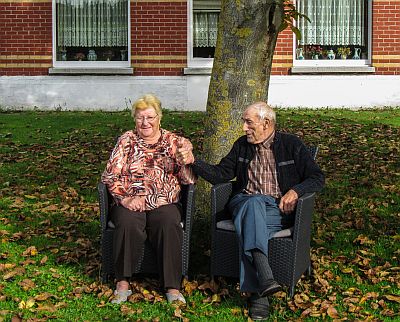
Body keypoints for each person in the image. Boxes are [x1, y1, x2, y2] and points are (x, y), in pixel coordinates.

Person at [177, 102, 324, 320]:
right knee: (252, 203)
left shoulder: (290, 144)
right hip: (243, 202)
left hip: (276, 209)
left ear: (266, 123)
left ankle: (260, 287)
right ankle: (260, 290)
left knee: (253, 217)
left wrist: (295, 191)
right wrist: (194, 161)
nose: (244, 128)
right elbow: (221, 174)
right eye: (244, 122)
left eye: (249, 123)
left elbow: (317, 177)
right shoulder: (242, 145)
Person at [101, 94, 196, 305]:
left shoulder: (173, 141)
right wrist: (124, 199)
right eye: (140, 117)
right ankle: (123, 283)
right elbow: (110, 176)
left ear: (159, 118)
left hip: (164, 200)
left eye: (150, 117)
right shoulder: (127, 140)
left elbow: (188, 180)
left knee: (168, 222)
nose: (145, 122)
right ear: (134, 119)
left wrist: (187, 158)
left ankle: (172, 287)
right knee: (127, 222)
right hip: (130, 199)